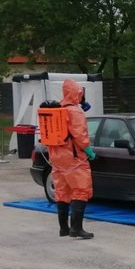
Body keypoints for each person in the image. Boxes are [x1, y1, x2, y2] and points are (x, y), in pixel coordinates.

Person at [52, 79, 96, 239]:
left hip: (57, 157)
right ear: (76, 93)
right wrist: (88, 150)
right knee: (81, 190)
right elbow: (80, 135)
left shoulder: (57, 109)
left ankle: (64, 228)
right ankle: (76, 229)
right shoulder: (75, 112)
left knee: (62, 192)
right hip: (74, 158)